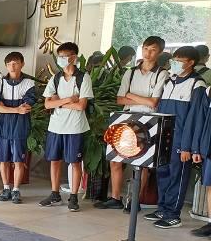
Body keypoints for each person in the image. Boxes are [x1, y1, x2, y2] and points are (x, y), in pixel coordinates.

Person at [96, 36, 167, 210]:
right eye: (145, 49)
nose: (148, 53)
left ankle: (134, 201)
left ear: (159, 52)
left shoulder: (161, 73)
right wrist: (143, 100)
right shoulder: (131, 72)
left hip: (149, 120)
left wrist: (132, 96)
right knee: (115, 159)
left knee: (142, 163)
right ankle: (115, 197)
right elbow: (120, 99)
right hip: (125, 118)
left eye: (153, 50)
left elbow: (154, 103)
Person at [146, 46, 207, 229]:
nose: (175, 63)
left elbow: (195, 119)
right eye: (175, 59)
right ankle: (162, 208)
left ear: (191, 63)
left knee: (177, 176)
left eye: (180, 61)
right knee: (162, 173)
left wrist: (188, 147)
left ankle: (173, 214)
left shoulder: (197, 85)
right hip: (163, 139)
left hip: (181, 141)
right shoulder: (170, 81)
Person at [39, 42, 94, 212]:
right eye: (60, 56)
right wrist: (69, 99)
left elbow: (81, 106)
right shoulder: (55, 78)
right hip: (55, 126)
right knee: (54, 160)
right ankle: (55, 194)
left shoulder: (83, 77)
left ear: (74, 57)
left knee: (75, 162)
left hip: (75, 128)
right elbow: (47, 105)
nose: (62, 59)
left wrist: (58, 102)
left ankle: (73, 196)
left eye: (65, 56)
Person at [0, 52, 36, 204]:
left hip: (20, 127)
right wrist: (15, 109)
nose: (12, 66)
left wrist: (5, 106)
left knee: (18, 161)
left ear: (22, 64)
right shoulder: (0, 81)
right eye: (9, 64)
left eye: (15, 63)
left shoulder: (29, 83)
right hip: (3, 126)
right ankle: (5, 187)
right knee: (3, 160)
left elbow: (28, 105)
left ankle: (16, 189)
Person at [190, 82, 211, 237]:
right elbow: (201, 120)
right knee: (210, 186)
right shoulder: (209, 91)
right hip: (209, 147)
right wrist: (198, 148)